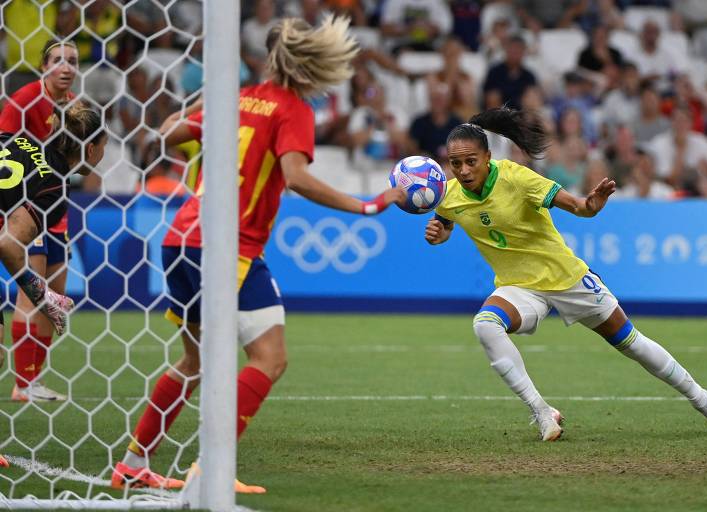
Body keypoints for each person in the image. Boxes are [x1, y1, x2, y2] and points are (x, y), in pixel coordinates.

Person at [111, 16, 404, 492]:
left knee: (195, 363)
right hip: (228, 246)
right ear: (311, 67)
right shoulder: (293, 109)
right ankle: (211, 469)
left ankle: (133, 462)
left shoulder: (232, 100)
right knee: (269, 358)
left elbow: (164, 135)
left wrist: (206, 105)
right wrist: (367, 206)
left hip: (181, 237)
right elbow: (296, 177)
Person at [423, 107, 707, 441]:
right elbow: (445, 224)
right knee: (486, 326)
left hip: (565, 278)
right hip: (518, 288)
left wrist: (591, 205)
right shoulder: (448, 195)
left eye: (471, 161)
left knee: (631, 343)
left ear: (488, 156)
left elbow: (579, 207)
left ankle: (705, 402)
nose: (463, 170)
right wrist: (439, 234)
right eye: (455, 163)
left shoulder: (517, 179)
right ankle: (542, 411)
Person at [0, 39, 79, 402]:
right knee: (31, 291)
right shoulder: (25, 99)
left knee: (56, 290)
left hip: (55, 204)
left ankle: (33, 378)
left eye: (73, 61)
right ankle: (21, 383)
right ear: (43, 65)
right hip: (26, 205)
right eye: (58, 60)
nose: (66, 67)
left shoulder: (73, 108)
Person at [0, 105, 105, 362]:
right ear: (91, 150)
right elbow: (8, 245)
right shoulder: (55, 186)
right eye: (104, 146)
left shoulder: (20, 140)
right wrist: (43, 296)